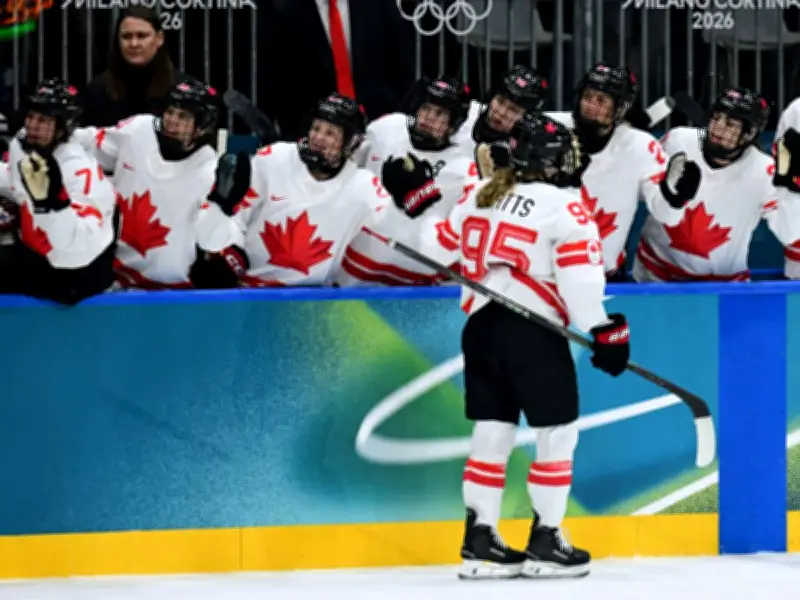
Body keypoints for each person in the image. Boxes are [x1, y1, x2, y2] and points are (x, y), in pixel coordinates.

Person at [392, 113, 630, 579]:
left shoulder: (481, 193)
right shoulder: (567, 209)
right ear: (553, 160)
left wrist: (420, 206)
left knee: (492, 431)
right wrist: (605, 331)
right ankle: (546, 540)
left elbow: (437, 249)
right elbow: (581, 285)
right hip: (533, 335)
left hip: (481, 329)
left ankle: (480, 540)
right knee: (557, 433)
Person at [194, 93, 388, 287]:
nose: (319, 138)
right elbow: (217, 235)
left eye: (330, 133)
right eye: (316, 128)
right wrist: (221, 207)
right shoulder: (273, 159)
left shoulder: (364, 188)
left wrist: (404, 201)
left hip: (315, 299)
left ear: (352, 143)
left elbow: (392, 235)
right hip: (252, 290)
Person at [634, 88, 800, 282]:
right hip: (655, 275)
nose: (718, 127)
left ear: (749, 134)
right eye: (716, 117)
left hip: (724, 285)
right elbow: (637, 188)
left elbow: (790, 234)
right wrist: (630, 141)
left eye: (730, 124)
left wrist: (792, 189)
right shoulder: (677, 141)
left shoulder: (764, 172)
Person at [557, 63, 701, 281]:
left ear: (621, 108)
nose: (591, 105)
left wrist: (675, 198)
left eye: (602, 101)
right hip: (543, 275)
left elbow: (667, 216)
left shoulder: (641, 147)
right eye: (587, 96)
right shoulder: (550, 128)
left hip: (605, 278)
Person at [338, 76, 477, 285]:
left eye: (439, 114)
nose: (428, 117)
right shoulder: (386, 129)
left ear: (454, 124)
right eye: (426, 108)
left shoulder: (462, 170)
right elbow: (344, 172)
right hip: (355, 270)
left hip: (416, 282)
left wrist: (421, 200)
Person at [87, 79, 220, 289]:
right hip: (117, 281)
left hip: (175, 289)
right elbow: (87, 144)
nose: (172, 121)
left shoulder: (210, 170)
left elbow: (214, 237)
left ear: (202, 126)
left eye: (183, 117)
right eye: (170, 112)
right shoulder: (137, 131)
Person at [0, 79, 117, 304]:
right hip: (40, 254)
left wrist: (53, 203)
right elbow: (16, 183)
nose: (33, 126)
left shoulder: (79, 170)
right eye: (31, 116)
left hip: (78, 272)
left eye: (44, 120)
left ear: (65, 126)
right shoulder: (24, 143)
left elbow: (78, 251)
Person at [260, 0, 415, 140]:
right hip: (316, 137)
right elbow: (278, 84)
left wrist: (398, 123)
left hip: (379, 128)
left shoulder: (378, 4)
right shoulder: (283, 11)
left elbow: (402, 67)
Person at [83, 7, 187, 128]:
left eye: (142, 36)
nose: (134, 44)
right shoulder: (98, 90)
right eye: (126, 36)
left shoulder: (183, 90)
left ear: (159, 38)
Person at [454, 65, 551, 156]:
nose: (501, 112)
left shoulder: (528, 154)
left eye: (513, 110)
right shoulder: (461, 118)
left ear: (528, 117)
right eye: (500, 101)